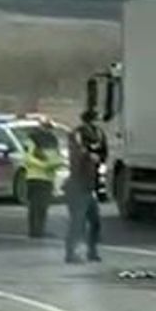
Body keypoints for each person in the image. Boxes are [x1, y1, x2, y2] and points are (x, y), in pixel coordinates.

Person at [65, 109, 108, 263]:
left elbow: (103, 153)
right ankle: (71, 253)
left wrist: (98, 158)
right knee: (78, 222)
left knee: (95, 222)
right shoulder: (77, 134)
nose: (97, 122)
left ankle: (92, 251)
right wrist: (89, 156)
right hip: (78, 185)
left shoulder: (99, 133)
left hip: (90, 185)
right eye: (95, 119)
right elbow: (76, 155)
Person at [24, 117, 64, 238]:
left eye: (49, 128)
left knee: (43, 206)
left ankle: (40, 230)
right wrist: (44, 165)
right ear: (40, 127)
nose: (48, 130)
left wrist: (58, 163)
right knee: (35, 205)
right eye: (46, 127)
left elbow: (57, 156)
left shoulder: (53, 140)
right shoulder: (32, 139)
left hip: (48, 178)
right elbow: (28, 158)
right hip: (35, 177)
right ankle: (34, 231)